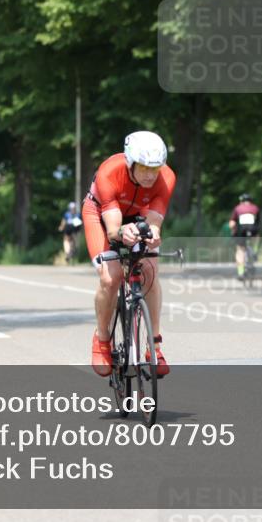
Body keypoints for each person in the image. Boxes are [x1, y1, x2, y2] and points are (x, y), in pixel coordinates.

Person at [83, 131, 175, 378]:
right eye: (143, 167)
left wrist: (153, 233)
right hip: (102, 215)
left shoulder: (166, 178)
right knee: (110, 277)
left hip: (139, 214)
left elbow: (154, 219)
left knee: (150, 271)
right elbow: (113, 229)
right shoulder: (109, 172)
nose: (149, 174)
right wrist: (122, 232)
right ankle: (102, 339)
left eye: (154, 168)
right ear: (130, 162)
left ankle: (154, 347)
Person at [229, 193, 260, 279]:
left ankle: (240, 272)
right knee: (257, 235)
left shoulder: (238, 208)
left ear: (241, 201)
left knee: (240, 250)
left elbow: (232, 223)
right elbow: (257, 222)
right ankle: (255, 251)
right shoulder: (255, 208)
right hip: (253, 230)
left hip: (241, 231)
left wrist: (233, 231)